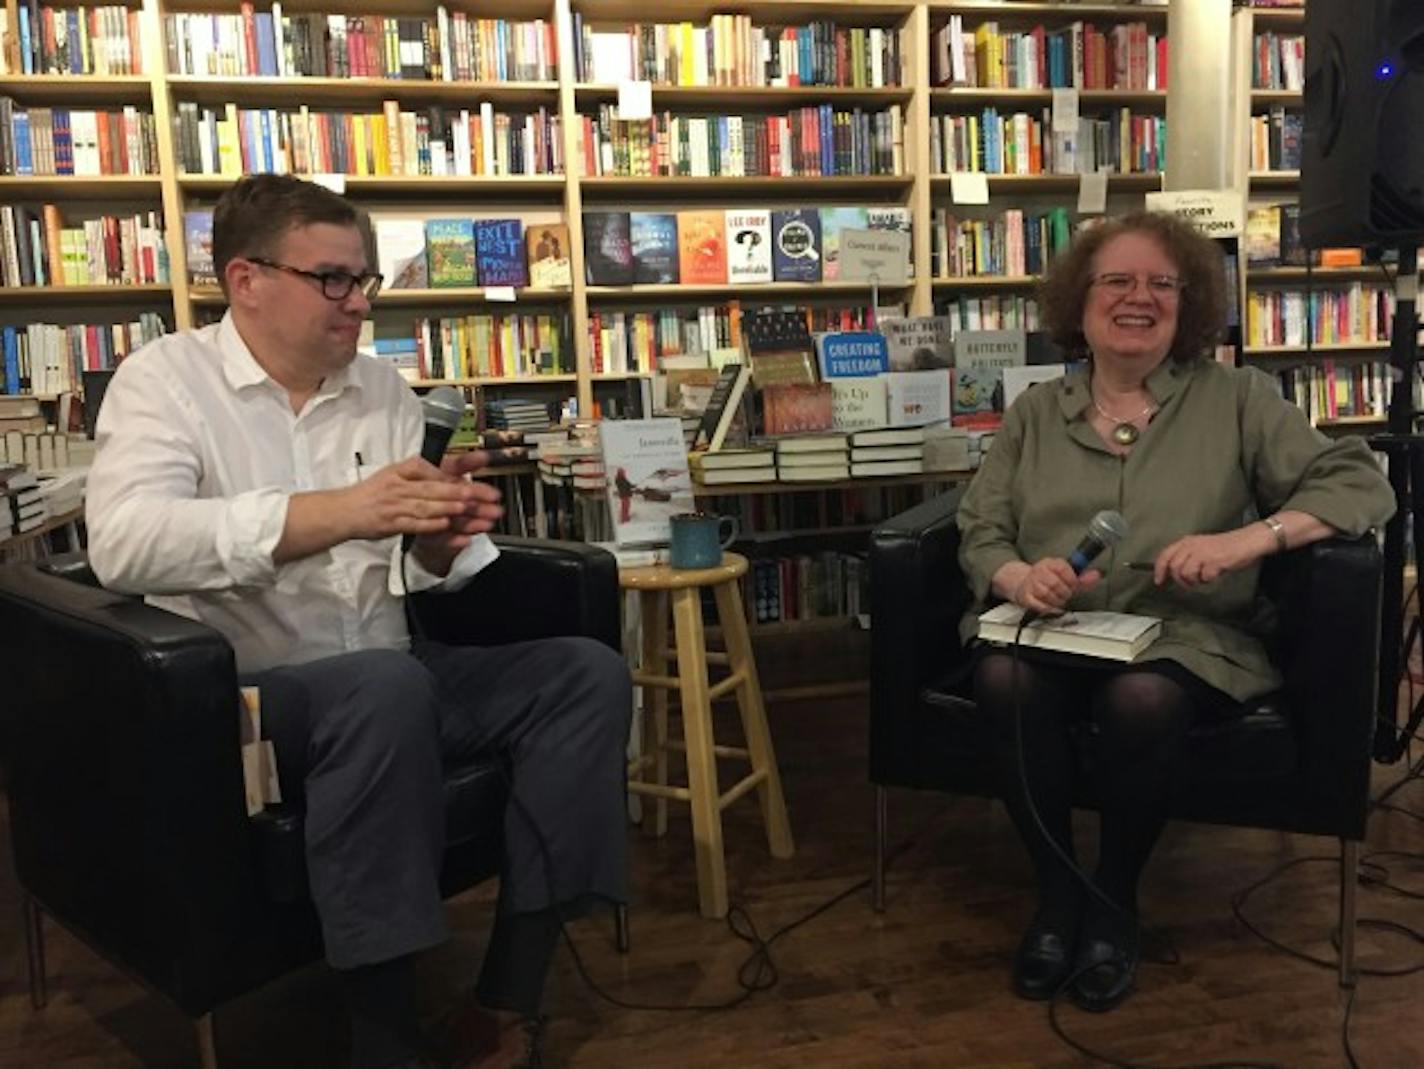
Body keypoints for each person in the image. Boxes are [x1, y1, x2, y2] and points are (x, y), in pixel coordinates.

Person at [86, 175, 632, 1069]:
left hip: (394, 669)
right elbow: (126, 543)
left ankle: (505, 998)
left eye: (365, 278)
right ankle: (386, 1042)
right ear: (246, 278)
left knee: (585, 673)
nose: (359, 300)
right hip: (247, 697)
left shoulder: (384, 392)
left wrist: (441, 544)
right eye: (333, 279)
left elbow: (409, 570)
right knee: (383, 688)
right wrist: (341, 509)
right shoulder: (166, 382)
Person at [956, 210, 1395, 1013]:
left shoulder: (1239, 398)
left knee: (1144, 697)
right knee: (1003, 680)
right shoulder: (1031, 415)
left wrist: (1248, 539)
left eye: (1163, 284)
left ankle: (1114, 900)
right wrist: (1020, 576)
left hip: (1188, 634)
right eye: (1117, 280)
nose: (1140, 297)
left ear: (1189, 305)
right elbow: (981, 528)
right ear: (1079, 301)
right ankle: (1057, 896)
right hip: (1056, 628)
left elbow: (1361, 482)